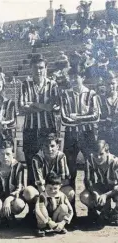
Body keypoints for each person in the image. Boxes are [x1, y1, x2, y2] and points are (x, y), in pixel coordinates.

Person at [61, 64, 100, 203]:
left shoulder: (91, 94)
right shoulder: (65, 94)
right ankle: (71, 210)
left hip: (87, 135)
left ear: (82, 77)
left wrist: (77, 117)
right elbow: (64, 119)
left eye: (75, 77)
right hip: (70, 135)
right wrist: (84, 117)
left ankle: (92, 208)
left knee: (90, 169)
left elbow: (96, 116)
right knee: (70, 170)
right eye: (70, 77)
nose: (72, 79)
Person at [19, 54, 60, 185]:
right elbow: (22, 108)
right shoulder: (25, 84)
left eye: (41, 67)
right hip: (30, 130)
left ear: (46, 68)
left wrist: (34, 104)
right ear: (31, 68)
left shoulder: (53, 85)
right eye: (36, 68)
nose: (38, 71)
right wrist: (45, 107)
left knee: (50, 166)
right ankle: (32, 203)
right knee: (31, 167)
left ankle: (49, 202)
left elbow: (54, 108)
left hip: (48, 130)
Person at [0, 140, 30, 226]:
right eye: (2, 154)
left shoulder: (19, 167)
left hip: (12, 199)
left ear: (13, 154)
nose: (5, 157)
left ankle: (9, 215)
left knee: (19, 204)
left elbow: (20, 188)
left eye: (8, 154)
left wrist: (8, 199)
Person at [80, 140, 118, 225]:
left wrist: (105, 195)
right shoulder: (90, 160)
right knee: (84, 196)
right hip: (102, 186)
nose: (98, 158)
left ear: (107, 151)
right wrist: (95, 193)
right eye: (95, 155)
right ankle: (100, 211)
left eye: (101, 154)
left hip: (115, 189)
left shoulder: (115, 161)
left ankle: (114, 213)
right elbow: (88, 181)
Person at [32, 133, 75, 203]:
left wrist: (53, 191)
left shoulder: (61, 156)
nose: (49, 149)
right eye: (46, 146)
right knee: (29, 192)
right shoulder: (37, 158)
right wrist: (47, 196)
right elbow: (39, 183)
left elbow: (65, 180)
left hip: (56, 188)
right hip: (43, 189)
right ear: (42, 147)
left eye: (52, 146)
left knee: (70, 192)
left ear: (58, 146)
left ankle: (60, 209)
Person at [35, 172, 73, 237]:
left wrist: (63, 222)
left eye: (55, 188)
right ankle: (42, 228)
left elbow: (71, 211)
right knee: (41, 208)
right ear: (44, 186)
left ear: (60, 186)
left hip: (56, 218)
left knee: (64, 207)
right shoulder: (42, 196)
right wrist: (49, 222)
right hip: (45, 219)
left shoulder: (62, 195)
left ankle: (58, 227)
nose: (52, 191)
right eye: (50, 188)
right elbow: (37, 210)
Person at [98, 71, 118, 156]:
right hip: (105, 134)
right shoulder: (100, 99)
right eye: (108, 84)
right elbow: (97, 118)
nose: (111, 86)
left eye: (113, 83)